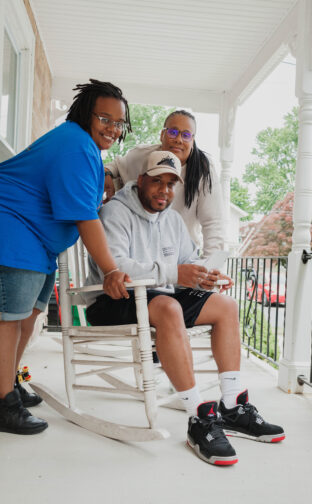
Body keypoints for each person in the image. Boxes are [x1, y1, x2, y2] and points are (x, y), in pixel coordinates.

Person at [85, 150, 285, 466]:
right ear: (140, 181)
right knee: (168, 307)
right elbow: (118, 267)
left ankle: (232, 405)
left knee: (225, 306)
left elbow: (187, 262)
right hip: (112, 300)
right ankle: (198, 417)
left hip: (159, 296)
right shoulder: (115, 214)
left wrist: (204, 277)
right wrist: (176, 274)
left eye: (170, 183)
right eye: (156, 182)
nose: (164, 190)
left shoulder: (173, 220)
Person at [0, 79, 132, 436]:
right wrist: (111, 270)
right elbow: (85, 218)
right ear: (84, 113)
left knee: (29, 316)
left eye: (119, 123)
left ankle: (8, 383)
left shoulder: (84, 149)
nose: (112, 128)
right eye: (105, 118)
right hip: (14, 230)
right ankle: (2, 403)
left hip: (37, 243)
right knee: (9, 320)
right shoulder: (75, 144)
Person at [104, 109, 225, 257]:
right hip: (143, 251)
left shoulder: (204, 170)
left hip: (181, 255)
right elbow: (116, 165)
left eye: (186, 135)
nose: (178, 139)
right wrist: (108, 174)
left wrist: (210, 268)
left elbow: (213, 223)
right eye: (173, 132)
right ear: (162, 135)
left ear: (192, 141)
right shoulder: (143, 156)